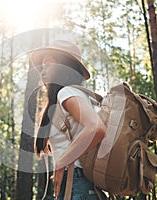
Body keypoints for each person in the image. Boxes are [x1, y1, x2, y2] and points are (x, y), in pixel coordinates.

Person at [30, 40, 107, 199]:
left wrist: (60, 164)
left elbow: (96, 128)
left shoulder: (67, 93)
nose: (42, 72)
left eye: (48, 64)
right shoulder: (68, 97)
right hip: (78, 184)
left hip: (77, 183)